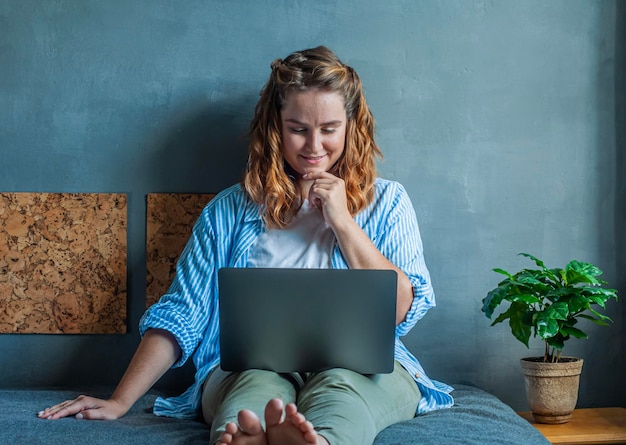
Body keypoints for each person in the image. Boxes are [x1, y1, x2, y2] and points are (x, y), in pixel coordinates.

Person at [37, 46, 453, 445]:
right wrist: (119, 401)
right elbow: (183, 315)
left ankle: (319, 441)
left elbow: (399, 307)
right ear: (276, 127)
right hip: (249, 368)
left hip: (361, 371)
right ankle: (241, 439)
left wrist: (344, 222)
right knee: (254, 387)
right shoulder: (229, 211)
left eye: (329, 130)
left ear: (351, 126)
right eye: (298, 130)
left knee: (341, 390)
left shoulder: (389, 202)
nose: (313, 147)